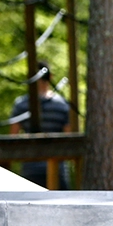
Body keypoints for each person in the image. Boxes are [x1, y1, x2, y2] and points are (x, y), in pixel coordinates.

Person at [9, 60, 71, 189]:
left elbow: (12, 136)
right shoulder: (62, 104)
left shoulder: (21, 104)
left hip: (30, 167)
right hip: (58, 168)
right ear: (51, 77)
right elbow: (68, 136)